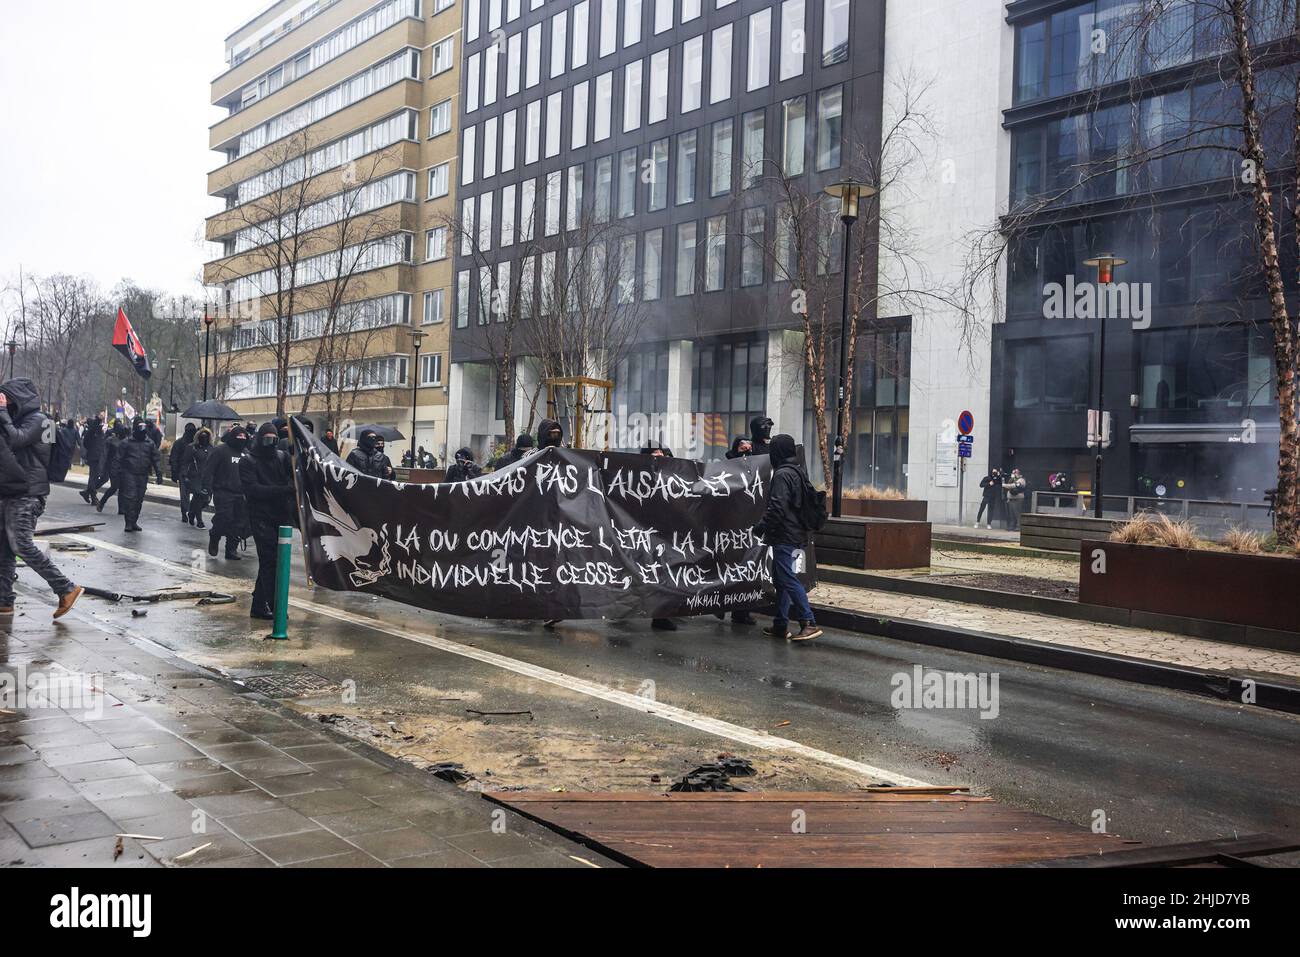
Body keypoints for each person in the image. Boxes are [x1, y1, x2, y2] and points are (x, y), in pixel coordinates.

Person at [0, 378, 82, 619]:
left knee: (21, 545)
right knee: (4, 548)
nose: (8, 404)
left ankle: (66, 588)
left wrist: (3, 412)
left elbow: (16, 439)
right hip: (13, 489)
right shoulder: (24, 419)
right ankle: (4, 600)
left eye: (9, 400)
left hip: (29, 492)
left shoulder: (39, 420)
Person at [755, 434, 822, 642]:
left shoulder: (783, 474)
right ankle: (780, 625)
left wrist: (762, 527)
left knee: (787, 579)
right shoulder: (798, 471)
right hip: (798, 533)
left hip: (785, 535)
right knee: (782, 579)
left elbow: (778, 507)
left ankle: (808, 622)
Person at [241, 423, 296, 621]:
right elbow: (253, 490)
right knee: (269, 560)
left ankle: (260, 604)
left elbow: (296, 475)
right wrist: (282, 490)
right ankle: (272, 603)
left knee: (276, 561)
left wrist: (295, 452)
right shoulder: (248, 461)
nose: (270, 443)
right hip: (260, 516)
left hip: (281, 516)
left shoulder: (281, 457)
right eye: (267, 439)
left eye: (274, 439)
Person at [201, 425, 250, 560]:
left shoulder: (246, 453)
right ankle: (215, 535)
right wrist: (207, 488)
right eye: (238, 437)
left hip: (241, 494)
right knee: (224, 518)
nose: (241, 440)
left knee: (238, 522)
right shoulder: (220, 451)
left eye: (243, 437)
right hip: (223, 492)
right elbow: (209, 470)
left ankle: (231, 549)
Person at [116, 418, 163, 532]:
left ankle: (134, 521)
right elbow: (118, 459)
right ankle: (128, 522)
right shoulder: (126, 443)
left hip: (143, 474)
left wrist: (159, 474)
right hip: (129, 473)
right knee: (131, 498)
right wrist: (118, 474)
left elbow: (156, 459)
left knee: (139, 499)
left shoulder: (149, 443)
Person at [181, 428, 214, 528]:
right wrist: (185, 475)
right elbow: (185, 462)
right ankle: (199, 520)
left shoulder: (211, 448)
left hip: (208, 477)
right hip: (195, 476)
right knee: (199, 497)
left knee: (206, 500)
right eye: (202, 436)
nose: (204, 438)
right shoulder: (192, 447)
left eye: (206, 436)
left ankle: (191, 512)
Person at [95, 421, 129, 511]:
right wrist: (101, 468)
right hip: (112, 467)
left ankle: (121, 508)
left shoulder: (127, 442)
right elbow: (104, 455)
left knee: (122, 487)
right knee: (114, 486)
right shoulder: (110, 440)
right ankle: (102, 503)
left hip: (123, 467)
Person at [169, 422, 198, 523]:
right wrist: (174, 472)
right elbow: (174, 458)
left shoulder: (197, 444)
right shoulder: (180, 443)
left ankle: (190, 512)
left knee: (195, 495)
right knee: (185, 495)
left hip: (194, 473)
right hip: (184, 472)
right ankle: (185, 512)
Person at [80, 415, 107, 504]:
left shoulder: (100, 433)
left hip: (100, 457)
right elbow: (86, 443)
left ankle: (88, 492)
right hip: (94, 457)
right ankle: (93, 496)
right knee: (93, 477)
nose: (100, 426)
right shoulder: (91, 433)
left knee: (103, 477)